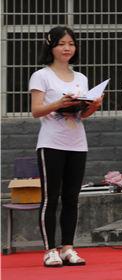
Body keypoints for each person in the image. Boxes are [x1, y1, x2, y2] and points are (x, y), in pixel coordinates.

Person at [29, 26, 103, 267]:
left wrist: (93, 105)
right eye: (61, 43)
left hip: (77, 144)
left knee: (72, 198)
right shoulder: (42, 75)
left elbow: (84, 115)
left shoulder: (81, 78)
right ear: (51, 46)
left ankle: (68, 248)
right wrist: (59, 102)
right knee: (51, 198)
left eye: (71, 43)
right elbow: (36, 110)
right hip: (51, 143)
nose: (67, 48)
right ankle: (50, 249)